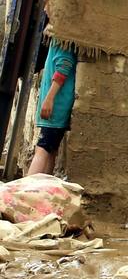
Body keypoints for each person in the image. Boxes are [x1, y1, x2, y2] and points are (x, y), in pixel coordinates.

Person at [28, 39, 77, 176]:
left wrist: (49, 99)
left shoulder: (64, 37)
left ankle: (28, 192)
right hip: (57, 105)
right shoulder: (58, 37)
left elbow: (63, 67)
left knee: (42, 149)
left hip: (56, 106)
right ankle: (43, 190)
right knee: (50, 151)